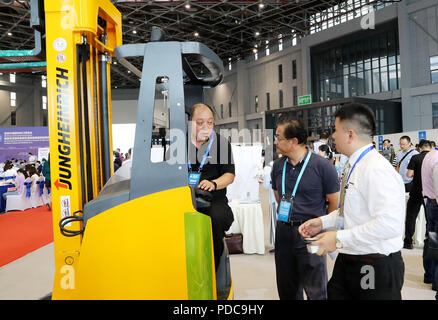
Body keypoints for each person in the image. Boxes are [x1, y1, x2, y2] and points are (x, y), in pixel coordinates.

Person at [299, 103, 405, 300]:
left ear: (350, 134)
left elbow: (389, 224)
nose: (332, 136)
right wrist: (323, 222)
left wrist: (338, 238)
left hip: (372, 264)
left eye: (335, 130)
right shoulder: (354, 164)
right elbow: (352, 209)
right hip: (349, 259)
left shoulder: (376, 169)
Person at [271, 117, 340, 300]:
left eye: (278, 137)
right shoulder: (278, 166)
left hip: (310, 233)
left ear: (293, 141)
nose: (275, 142)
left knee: (315, 289)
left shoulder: (323, 166)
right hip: (283, 231)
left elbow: (334, 204)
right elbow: (278, 196)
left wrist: (320, 225)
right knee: (287, 288)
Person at [187, 103, 235, 271]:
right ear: (189, 122)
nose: (206, 127)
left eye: (210, 122)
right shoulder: (179, 145)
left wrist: (214, 184)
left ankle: (211, 269)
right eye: (200, 122)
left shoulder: (221, 143)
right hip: (185, 199)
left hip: (214, 200)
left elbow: (229, 175)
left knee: (214, 220)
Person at [404, 139, 432, 249]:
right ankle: (429, 241)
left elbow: (409, 174)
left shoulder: (415, 157)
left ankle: (408, 242)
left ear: (419, 148)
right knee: (430, 218)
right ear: (430, 148)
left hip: (416, 191)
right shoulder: (434, 158)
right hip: (430, 192)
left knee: (411, 217)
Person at [421, 144, 438, 298]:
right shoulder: (437, 159)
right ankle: (436, 281)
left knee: (432, 241)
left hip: (430, 203)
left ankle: (430, 275)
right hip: (436, 204)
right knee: (435, 243)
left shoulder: (429, 155)